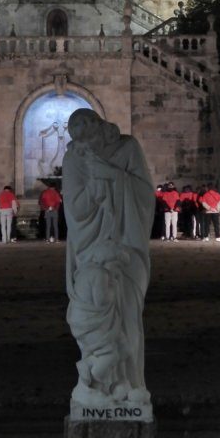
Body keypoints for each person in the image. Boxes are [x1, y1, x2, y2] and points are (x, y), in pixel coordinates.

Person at [62, 108, 155, 409]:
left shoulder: (127, 148)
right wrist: (95, 186)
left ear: (102, 130)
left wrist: (112, 177)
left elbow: (144, 192)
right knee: (98, 310)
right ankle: (97, 381)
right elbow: (75, 210)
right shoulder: (74, 158)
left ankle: (132, 382)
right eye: (81, 142)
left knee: (129, 313)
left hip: (127, 244)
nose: (88, 147)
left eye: (91, 139)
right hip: (92, 249)